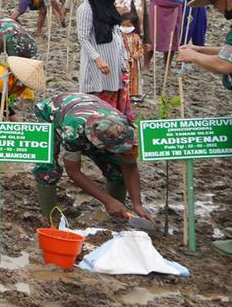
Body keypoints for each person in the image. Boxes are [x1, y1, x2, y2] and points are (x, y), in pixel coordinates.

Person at [31, 91, 151, 224]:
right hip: (51, 113)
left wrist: (137, 204)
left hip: (87, 108)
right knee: (47, 169)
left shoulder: (126, 130)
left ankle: (118, 213)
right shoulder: (74, 131)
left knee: (116, 168)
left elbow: (130, 166)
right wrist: (107, 201)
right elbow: (73, 172)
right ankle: (50, 218)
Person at [74, 0, 131, 117]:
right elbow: (83, 38)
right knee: (96, 98)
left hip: (113, 61)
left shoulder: (109, 8)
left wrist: (124, 57)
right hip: (97, 63)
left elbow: (117, 32)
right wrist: (97, 59)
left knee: (113, 92)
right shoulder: (86, 9)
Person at [113, 0, 149, 101]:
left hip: (135, 31)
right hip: (118, 31)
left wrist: (147, 38)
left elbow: (145, 15)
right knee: (120, 63)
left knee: (134, 64)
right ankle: (119, 91)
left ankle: (133, 91)